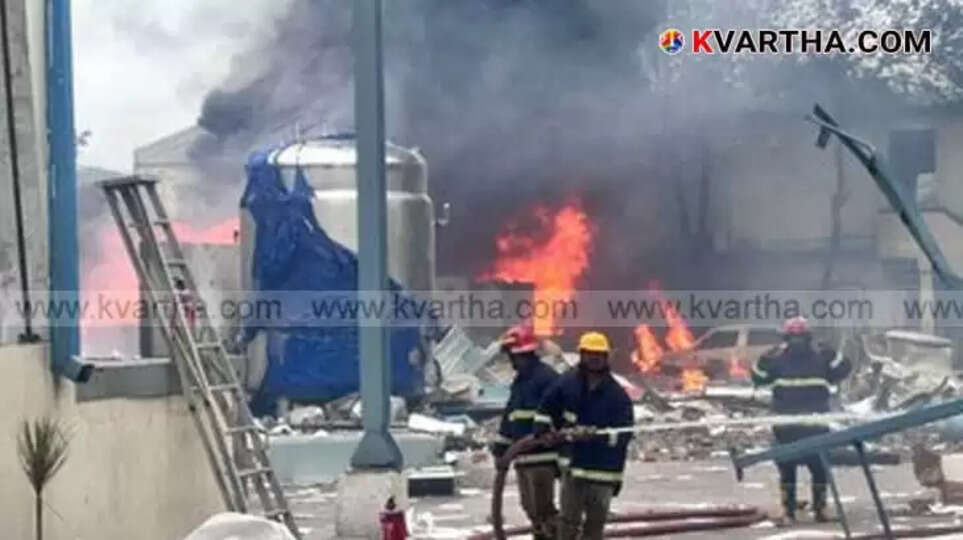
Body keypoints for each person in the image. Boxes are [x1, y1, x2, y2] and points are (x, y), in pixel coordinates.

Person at [752, 316, 852, 524]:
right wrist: (831, 351)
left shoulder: (776, 360)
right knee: (819, 467)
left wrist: (765, 357)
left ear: (785, 337)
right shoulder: (822, 358)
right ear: (809, 337)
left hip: (786, 426)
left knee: (787, 468)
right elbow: (844, 368)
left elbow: (756, 376)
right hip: (815, 424)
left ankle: (789, 512)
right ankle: (820, 510)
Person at [535, 331, 634, 540]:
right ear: (582, 354)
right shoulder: (566, 383)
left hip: (603, 472)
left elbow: (624, 435)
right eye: (589, 353)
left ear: (606, 357)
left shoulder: (616, 395)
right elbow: (545, 408)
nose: (594, 358)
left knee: (594, 527)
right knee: (568, 524)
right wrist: (543, 432)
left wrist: (596, 436)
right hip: (574, 469)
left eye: (598, 354)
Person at [490, 324, 560, 540]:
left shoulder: (545, 378)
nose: (509, 359)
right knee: (530, 508)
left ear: (520, 353)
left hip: (542, 456)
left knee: (543, 510)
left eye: (511, 354)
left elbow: (558, 413)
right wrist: (501, 447)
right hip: (523, 456)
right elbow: (511, 416)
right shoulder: (521, 381)